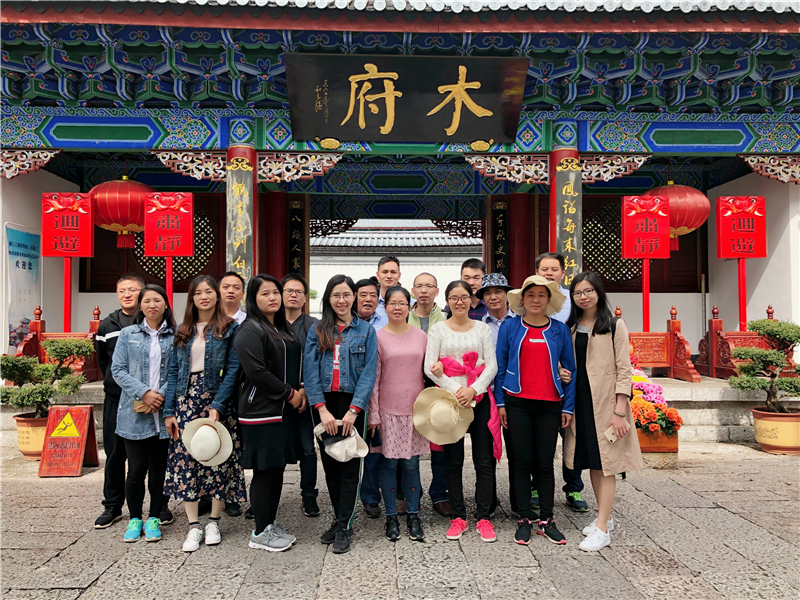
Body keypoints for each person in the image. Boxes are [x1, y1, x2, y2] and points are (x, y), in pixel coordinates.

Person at [164, 275, 246, 553]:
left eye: (209, 291)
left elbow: (233, 369)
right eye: (198, 292)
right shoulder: (183, 330)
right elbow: (173, 371)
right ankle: (193, 525)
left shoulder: (229, 328)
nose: (204, 296)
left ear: (216, 295)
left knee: (218, 457)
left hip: (217, 400)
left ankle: (214, 521)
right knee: (187, 458)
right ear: (192, 298)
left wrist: (218, 405)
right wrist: (169, 411)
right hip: (186, 400)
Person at [494, 275, 576, 546]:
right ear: (522, 299)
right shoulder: (510, 327)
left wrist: (568, 406)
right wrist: (501, 403)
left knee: (544, 463)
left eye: (541, 295)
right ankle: (524, 518)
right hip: (517, 402)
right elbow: (500, 365)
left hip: (549, 404)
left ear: (548, 300)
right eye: (531, 295)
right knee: (521, 462)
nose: (536, 300)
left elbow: (570, 369)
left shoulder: (559, 330)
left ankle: (547, 519)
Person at [566, 272, 643, 552]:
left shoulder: (613, 325)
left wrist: (619, 411)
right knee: (593, 463)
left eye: (588, 291)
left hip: (606, 405)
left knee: (606, 464)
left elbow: (624, 370)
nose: (583, 296)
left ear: (599, 292)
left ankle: (601, 529)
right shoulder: (571, 327)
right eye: (578, 292)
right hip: (580, 403)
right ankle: (604, 517)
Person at [304, 275, 378, 554]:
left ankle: (345, 526)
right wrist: (321, 409)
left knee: (349, 467)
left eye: (347, 294)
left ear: (354, 297)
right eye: (336, 295)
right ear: (328, 298)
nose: (342, 300)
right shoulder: (317, 330)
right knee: (331, 466)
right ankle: (338, 519)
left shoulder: (366, 331)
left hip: (352, 404)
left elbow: (369, 372)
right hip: (324, 405)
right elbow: (310, 371)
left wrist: (354, 411)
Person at [96, 274, 174, 529]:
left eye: (157, 300)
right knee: (132, 466)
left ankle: (156, 515)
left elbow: (178, 370)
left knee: (159, 468)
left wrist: (159, 395)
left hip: (163, 408)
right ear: (142, 304)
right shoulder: (123, 331)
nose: (152, 305)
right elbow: (113, 368)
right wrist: (143, 392)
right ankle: (128, 515)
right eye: (147, 300)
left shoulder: (176, 336)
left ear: (165, 304)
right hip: (127, 405)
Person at [235, 274, 306, 553]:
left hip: (283, 412)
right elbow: (257, 372)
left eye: (275, 292)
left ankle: (269, 522)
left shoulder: (280, 327)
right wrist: (289, 393)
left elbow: (293, 363)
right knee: (264, 472)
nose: (273, 297)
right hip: (261, 412)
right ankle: (259, 533)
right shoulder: (250, 329)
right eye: (265, 293)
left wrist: (299, 389)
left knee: (276, 470)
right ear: (253, 298)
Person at [424, 281, 498, 543]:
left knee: (483, 460)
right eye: (454, 298)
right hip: (450, 400)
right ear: (447, 301)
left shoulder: (482, 328)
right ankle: (458, 516)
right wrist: (458, 390)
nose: (459, 302)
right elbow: (429, 367)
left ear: (471, 299)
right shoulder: (437, 329)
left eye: (464, 297)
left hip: (479, 398)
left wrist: (473, 389)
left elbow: (492, 366)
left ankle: (484, 516)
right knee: (453, 461)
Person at [368, 286, 428, 542]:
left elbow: (429, 371)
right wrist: (374, 414)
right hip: (387, 411)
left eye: (402, 303)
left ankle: (413, 514)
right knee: (389, 464)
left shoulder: (421, 337)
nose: (397, 307)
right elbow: (373, 379)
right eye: (392, 303)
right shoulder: (377, 337)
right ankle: (391, 516)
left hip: (415, 411)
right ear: (385, 307)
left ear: (409, 306)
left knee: (412, 464)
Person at [534, 252, 587, 513]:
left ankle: (574, 487)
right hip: (537, 380)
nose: (549, 273)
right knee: (536, 440)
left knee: (571, 437)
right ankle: (535, 486)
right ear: (536, 272)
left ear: (563, 273)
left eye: (554, 269)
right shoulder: (529, 301)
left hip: (569, 376)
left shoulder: (573, 302)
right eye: (544, 269)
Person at [475, 273, 520, 515]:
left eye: (498, 291)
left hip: (515, 395)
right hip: (487, 395)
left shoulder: (520, 323)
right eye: (488, 293)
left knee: (517, 451)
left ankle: (519, 503)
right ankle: (488, 502)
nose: (493, 297)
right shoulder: (478, 327)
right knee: (485, 453)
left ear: (507, 295)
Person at [202, 270, 246, 518]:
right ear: (219, 292)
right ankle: (205, 495)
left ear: (243, 293)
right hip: (208, 392)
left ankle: (230, 495)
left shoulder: (248, 321)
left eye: (236, 287)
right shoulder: (207, 320)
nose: (230, 291)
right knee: (207, 442)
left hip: (239, 392)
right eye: (225, 286)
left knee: (231, 447)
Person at [407, 273, 451, 518]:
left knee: (439, 444)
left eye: (429, 286)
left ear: (437, 291)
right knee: (407, 443)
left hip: (439, 388)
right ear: (412, 291)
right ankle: (408, 494)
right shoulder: (403, 316)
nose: (424, 290)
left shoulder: (446, 319)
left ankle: (440, 494)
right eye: (419, 286)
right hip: (409, 387)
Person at [282, 273, 321, 518]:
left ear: (305, 298)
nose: (293, 295)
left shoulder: (313, 325)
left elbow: (317, 359)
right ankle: (267, 495)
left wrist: (306, 388)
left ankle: (309, 494)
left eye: (298, 291)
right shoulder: (271, 323)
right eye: (289, 291)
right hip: (277, 397)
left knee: (308, 448)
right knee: (275, 449)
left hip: (306, 397)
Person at [354, 277, 389, 518]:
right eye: (363, 295)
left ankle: (371, 497)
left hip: (379, 393)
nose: (368, 299)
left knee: (375, 449)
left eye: (373, 296)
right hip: (350, 394)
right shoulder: (345, 322)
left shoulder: (385, 321)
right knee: (351, 448)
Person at [374, 256, 401, 321]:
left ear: (399, 275)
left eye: (393, 272)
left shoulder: (411, 304)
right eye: (385, 272)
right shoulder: (371, 304)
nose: (389, 276)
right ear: (378, 275)